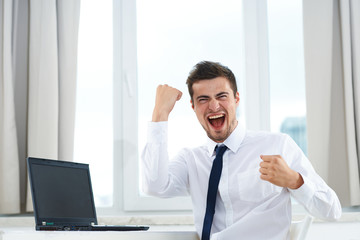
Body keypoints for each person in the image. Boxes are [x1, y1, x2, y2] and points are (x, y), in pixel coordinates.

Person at [141, 61, 341, 240]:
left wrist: (295, 181)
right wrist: (160, 114)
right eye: (203, 99)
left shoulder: (277, 145)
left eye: (222, 96)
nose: (214, 105)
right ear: (193, 106)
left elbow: (332, 210)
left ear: (236, 99)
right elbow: (154, 186)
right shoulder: (191, 159)